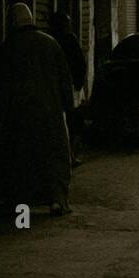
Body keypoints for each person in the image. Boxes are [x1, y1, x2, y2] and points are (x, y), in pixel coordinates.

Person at [0, 4, 76, 218]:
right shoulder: (51, 44)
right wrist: (69, 110)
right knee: (54, 158)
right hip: (51, 113)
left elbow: (2, 86)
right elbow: (65, 81)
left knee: (20, 158)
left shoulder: (9, 47)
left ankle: (19, 201)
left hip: (19, 114)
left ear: (12, 22)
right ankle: (57, 201)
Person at [50, 11, 87, 166]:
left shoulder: (51, 40)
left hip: (56, 88)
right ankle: (71, 155)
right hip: (70, 87)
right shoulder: (69, 40)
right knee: (74, 122)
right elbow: (80, 62)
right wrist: (79, 84)